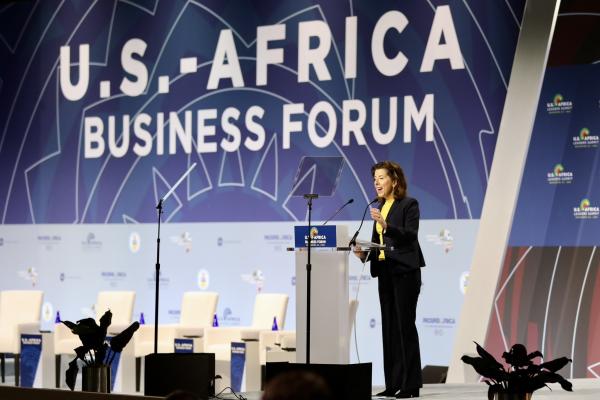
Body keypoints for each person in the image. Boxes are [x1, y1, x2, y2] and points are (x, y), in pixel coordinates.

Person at [354, 161, 425, 398]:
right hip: (385, 272)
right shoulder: (379, 207)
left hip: (405, 272)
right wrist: (363, 255)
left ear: (394, 180)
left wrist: (387, 226)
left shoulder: (408, 204)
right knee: (389, 329)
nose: (376, 182)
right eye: (375, 178)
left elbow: (410, 235)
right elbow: (380, 246)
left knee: (404, 327)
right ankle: (393, 383)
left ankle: (410, 385)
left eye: (381, 178)